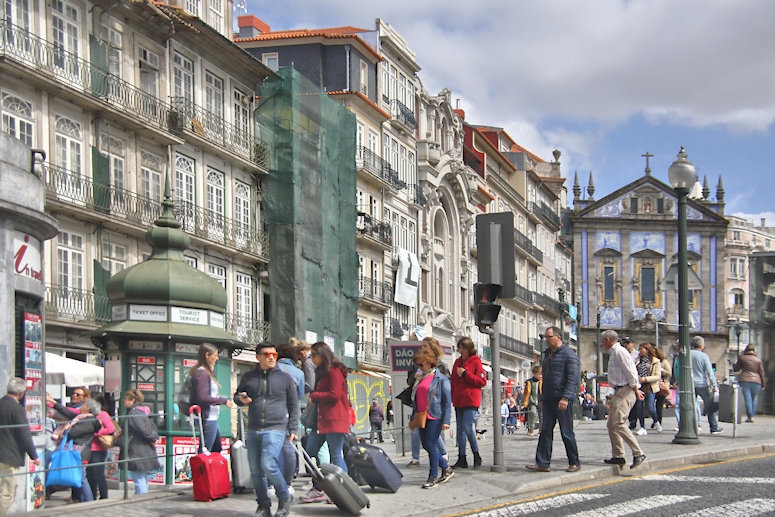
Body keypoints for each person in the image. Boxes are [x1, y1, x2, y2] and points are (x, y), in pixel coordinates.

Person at [234, 342, 299, 517]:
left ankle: (284, 496)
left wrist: (293, 427)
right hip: (253, 428)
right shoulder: (249, 377)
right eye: (266, 354)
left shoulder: (285, 378)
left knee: (268, 464)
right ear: (258, 357)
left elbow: (294, 405)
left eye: (274, 354)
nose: (271, 357)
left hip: (275, 427)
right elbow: (238, 396)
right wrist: (240, 399)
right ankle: (263, 506)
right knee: (256, 470)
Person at [525, 326, 581, 473]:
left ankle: (574, 462)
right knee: (545, 431)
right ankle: (543, 463)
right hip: (548, 398)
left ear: (558, 337)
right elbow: (545, 378)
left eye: (549, 337)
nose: (546, 340)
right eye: (545, 337)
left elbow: (572, 379)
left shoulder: (569, 355)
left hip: (562, 399)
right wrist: (542, 397)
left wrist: (566, 397)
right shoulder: (547, 354)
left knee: (566, 432)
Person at [300, 342, 349, 504]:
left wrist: (315, 396)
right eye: (310, 355)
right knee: (310, 451)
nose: (311, 358)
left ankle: (343, 490)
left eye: (314, 355)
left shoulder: (334, 371)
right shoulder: (321, 371)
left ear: (323, 354)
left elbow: (334, 395)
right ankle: (319, 487)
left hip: (334, 420)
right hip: (321, 421)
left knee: (336, 455)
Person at [600, 329, 646, 469]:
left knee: (618, 422)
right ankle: (618, 456)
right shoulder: (614, 352)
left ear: (608, 340)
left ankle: (638, 453)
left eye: (602, 340)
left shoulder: (620, 352)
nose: (602, 343)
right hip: (619, 390)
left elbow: (631, 371)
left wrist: (636, 389)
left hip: (626, 390)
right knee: (611, 424)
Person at [410, 347, 454, 489]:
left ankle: (433, 476)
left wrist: (446, 421)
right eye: (418, 365)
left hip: (435, 416)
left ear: (429, 363)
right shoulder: (420, 378)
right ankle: (446, 468)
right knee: (427, 445)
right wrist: (412, 419)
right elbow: (416, 400)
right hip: (421, 415)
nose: (419, 367)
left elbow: (447, 402)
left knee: (430, 444)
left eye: (421, 364)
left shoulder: (441, 379)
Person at [0, 377, 41, 515]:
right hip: (9, 456)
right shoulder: (17, 409)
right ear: (22, 393)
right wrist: (34, 456)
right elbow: (24, 434)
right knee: (7, 491)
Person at [190, 343, 234, 453]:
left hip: (212, 417)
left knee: (216, 448)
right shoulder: (202, 373)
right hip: (208, 417)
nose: (217, 358)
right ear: (207, 355)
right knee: (205, 450)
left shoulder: (206, 372)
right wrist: (223, 401)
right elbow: (203, 397)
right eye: (215, 355)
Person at [450, 336, 486, 469]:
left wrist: (466, 374)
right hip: (459, 400)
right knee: (460, 429)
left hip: (471, 399)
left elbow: (482, 381)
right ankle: (462, 457)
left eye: (462, 348)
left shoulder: (476, 361)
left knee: (467, 426)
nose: (460, 351)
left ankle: (476, 454)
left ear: (468, 349)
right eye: (459, 348)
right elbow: (453, 381)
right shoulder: (457, 362)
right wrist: (452, 396)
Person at [274, 342, 305, 493]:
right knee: (289, 447)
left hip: (272, 412)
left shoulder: (272, 368)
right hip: (291, 413)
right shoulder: (299, 373)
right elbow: (300, 395)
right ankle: (288, 483)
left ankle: (272, 483)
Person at [122, 389, 160, 495]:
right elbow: (152, 427)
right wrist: (153, 438)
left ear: (132, 400)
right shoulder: (145, 411)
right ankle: (143, 497)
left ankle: (141, 499)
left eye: (126, 399)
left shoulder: (134, 412)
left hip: (136, 449)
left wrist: (152, 438)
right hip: (144, 448)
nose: (124, 401)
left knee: (138, 478)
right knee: (142, 477)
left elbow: (142, 429)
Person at [690, 336, 723, 435]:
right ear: (701, 346)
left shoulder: (687, 354)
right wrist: (714, 386)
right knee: (709, 406)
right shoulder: (704, 356)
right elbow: (709, 372)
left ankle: (692, 426)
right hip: (702, 384)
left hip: (689, 384)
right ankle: (713, 427)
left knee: (690, 406)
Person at [86, 393, 115, 499]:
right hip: (88, 448)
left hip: (98, 448)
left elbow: (111, 429)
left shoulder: (103, 414)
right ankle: (92, 497)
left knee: (98, 474)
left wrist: (97, 433)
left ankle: (104, 496)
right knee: (90, 474)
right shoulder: (88, 414)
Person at [734, 344, 767, 422]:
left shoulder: (742, 358)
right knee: (753, 399)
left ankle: (750, 416)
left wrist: (735, 364)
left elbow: (736, 369)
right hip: (756, 382)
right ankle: (752, 415)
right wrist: (763, 384)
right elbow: (761, 372)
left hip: (745, 380)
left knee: (747, 399)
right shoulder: (758, 360)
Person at [635, 343, 661, 435]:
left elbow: (657, 376)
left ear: (647, 350)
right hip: (639, 386)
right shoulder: (638, 360)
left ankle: (656, 421)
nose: (640, 351)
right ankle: (642, 427)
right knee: (639, 406)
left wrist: (645, 379)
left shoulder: (655, 361)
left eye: (641, 349)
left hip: (650, 386)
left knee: (650, 407)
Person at [523, 365, 542, 436]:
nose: (540, 376)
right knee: (533, 413)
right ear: (534, 374)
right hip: (532, 401)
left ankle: (541, 430)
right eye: (539, 374)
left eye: (541, 374)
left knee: (542, 415)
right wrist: (528, 401)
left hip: (541, 401)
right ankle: (531, 428)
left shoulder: (543, 382)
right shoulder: (530, 382)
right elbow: (527, 393)